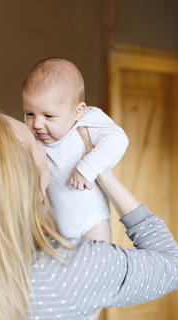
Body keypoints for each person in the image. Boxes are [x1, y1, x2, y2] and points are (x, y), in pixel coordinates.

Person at [0, 110, 178, 320]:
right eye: (37, 143)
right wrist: (102, 171)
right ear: (34, 185)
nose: (42, 136)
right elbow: (172, 266)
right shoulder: (72, 267)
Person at [22, 57, 129, 242]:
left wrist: (87, 167)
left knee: (99, 262)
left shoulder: (88, 121)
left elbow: (118, 140)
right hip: (52, 224)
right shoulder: (31, 135)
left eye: (48, 116)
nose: (37, 124)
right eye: (29, 114)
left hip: (91, 220)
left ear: (77, 111)